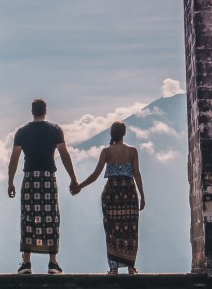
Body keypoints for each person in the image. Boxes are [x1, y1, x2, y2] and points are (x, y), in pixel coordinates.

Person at [7, 98, 79, 275]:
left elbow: (14, 158)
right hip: (47, 177)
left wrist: (10, 182)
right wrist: (73, 178)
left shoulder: (22, 132)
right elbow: (64, 155)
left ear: (32, 111)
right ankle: (53, 263)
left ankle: (26, 263)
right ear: (45, 111)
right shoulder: (54, 130)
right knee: (51, 217)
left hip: (30, 178)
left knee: (28, 217)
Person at [74, 121, 146, 274]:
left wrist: (80, 186)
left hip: (111, 193)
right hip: (128, 192)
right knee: (130, 229)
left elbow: (95, 175)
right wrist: (142, 195)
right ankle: (131, 266)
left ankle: (113, 268)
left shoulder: (106, 152)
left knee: (111, 229)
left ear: (112, 134)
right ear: (124, 133)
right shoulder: (132, 151)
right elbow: (137, 174)